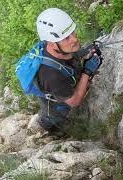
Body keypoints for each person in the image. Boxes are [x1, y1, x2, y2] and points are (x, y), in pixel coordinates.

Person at [35, 8, 101, 136]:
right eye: (66, 38)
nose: (74, 39)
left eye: (72, 33)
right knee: (69, 132)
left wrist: (85, 51)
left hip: (60, 93)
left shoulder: (58, 49)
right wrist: (87, 72)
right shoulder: (50, 75)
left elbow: (70, 56)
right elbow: (75, 101)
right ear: (51, 44)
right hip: (56, 117)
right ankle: (57, 134)